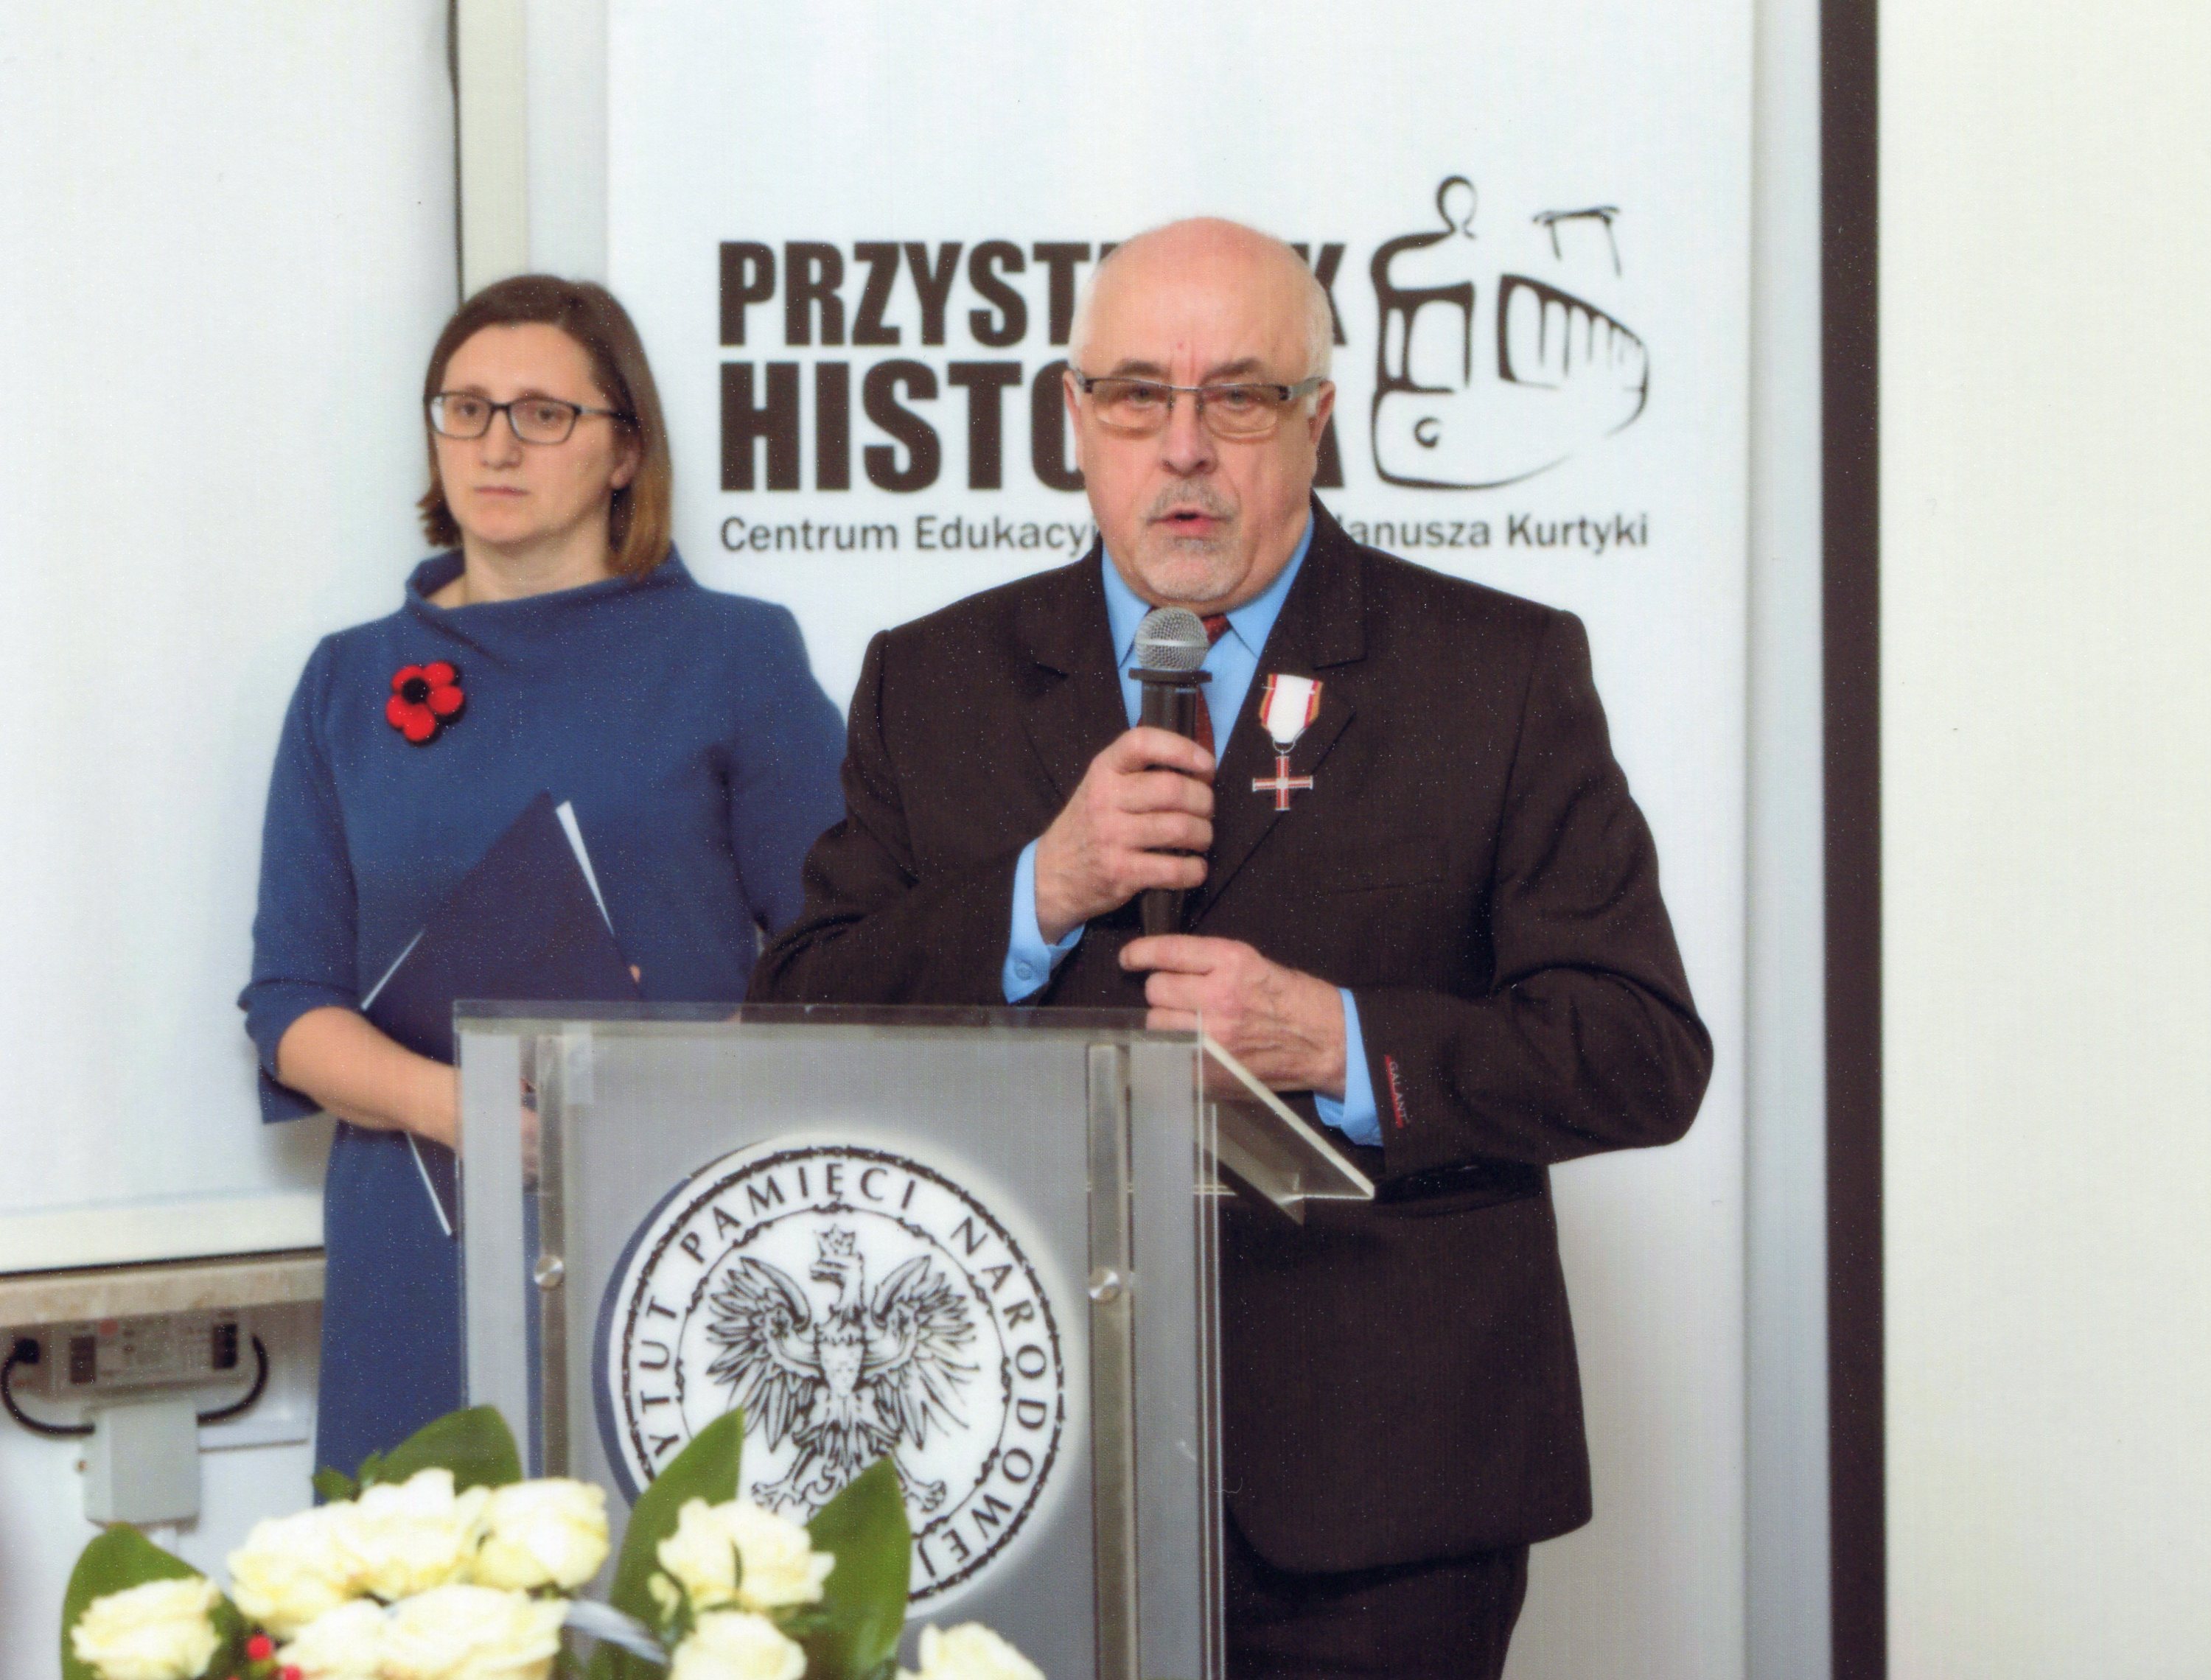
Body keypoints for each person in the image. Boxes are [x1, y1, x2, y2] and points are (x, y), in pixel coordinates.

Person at [750, 220, 1708, 1679]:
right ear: (1076, 418)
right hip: (1009, 1476)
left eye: (1241, 397)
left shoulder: (1498, 673)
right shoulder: (932, 678)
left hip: (1382, 1505)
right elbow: (797, 1019)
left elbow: (1641, 1052)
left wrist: (1341, 1041)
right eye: (1139, 394)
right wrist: (1038, 890)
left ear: (1318, 420)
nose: (1185, 446)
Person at [242, 275, 844, 1480]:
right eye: (465, 409)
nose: (497, 444)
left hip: (680, 1206)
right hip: (422, 1239)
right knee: (424, 1584)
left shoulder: (734, 653)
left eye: (543, 413)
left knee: (688, 1572)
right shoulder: (346, 680)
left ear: (625, 451)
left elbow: (846, 948)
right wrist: (454, 1108)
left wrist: (684, 1079)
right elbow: (290, 1005)